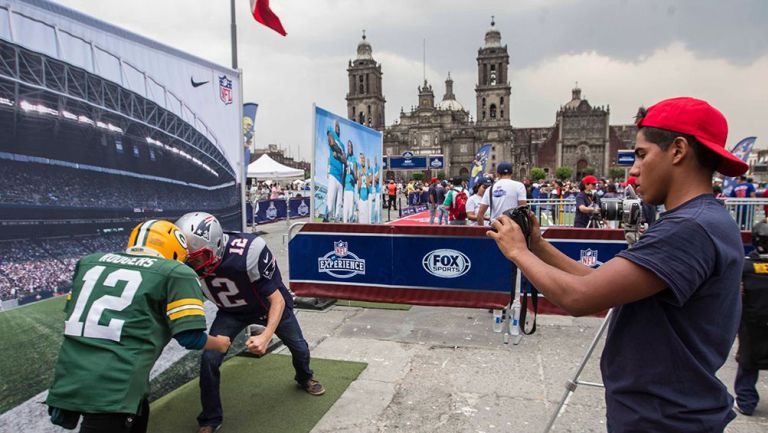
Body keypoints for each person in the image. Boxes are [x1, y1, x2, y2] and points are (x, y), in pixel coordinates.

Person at [487, 97, 748, 431]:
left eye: (641, 154)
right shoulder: (700, 220)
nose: (634, 168)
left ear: (678, 150)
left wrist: (518, 253)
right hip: (664, 409)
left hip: (663, 418)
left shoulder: (688, 229)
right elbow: (600, 284)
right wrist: (538, 245)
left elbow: (580, 297)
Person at [46, 220, 231, 433]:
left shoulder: (90, 262)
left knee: (138, 411)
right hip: (116, 383)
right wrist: (220, 343)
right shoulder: (175, 272)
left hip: (71, 375)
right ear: (174, 248)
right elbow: (190, 338)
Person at [175, 212, 324, 433]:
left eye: (196, 258)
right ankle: (210, 417)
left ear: (215, 246)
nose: (191, 264)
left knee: (299, 347)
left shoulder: (249, 250)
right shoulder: (191, 262)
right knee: (209, 359)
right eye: (187, 258)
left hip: (268, 307)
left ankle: (304, 376)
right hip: (231, 312)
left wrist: (265, 336)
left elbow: (277, 300)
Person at [734, 220, 768, 416]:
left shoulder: (746, 266)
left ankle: (746, 402)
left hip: (752, 322)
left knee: (748, 360)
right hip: (754, 320)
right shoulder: (746, 265)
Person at [324, 122, 346, 222]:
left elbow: (344, 160)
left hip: (340, 176)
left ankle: (337, 219)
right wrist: (340, 153)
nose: (337, 127)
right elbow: (331, 143)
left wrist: (339, 154)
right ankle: (326, 217)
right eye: (336, 126)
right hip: (333, 172)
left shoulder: (342, 144)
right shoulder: (330, 130)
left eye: (339, 126)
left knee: (339, 203)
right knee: (331, 198)